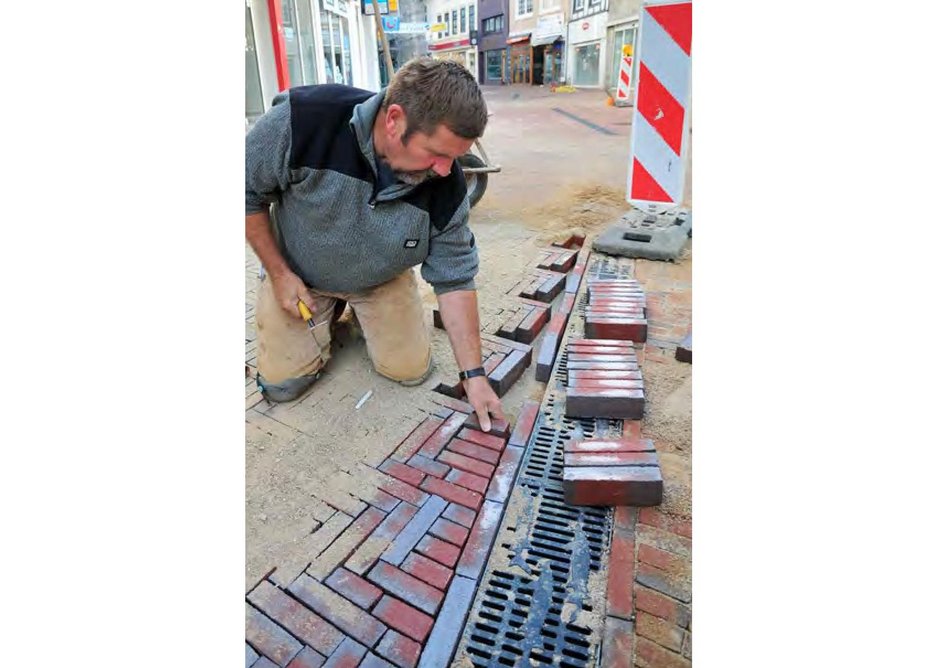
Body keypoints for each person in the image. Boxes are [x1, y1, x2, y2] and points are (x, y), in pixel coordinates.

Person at [245, 57, 505, 431]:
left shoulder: (446, 185)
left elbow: (456, 278)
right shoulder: (303, 121)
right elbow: (245, 193)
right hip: (297, 276)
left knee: (410, 371)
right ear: (394, 119)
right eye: (437, 153)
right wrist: (279, 273)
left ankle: (361, 311)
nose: (447, 169)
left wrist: (475, 375)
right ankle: (327, 310)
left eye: (453, 156)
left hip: (380, 279)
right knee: (282, 387)